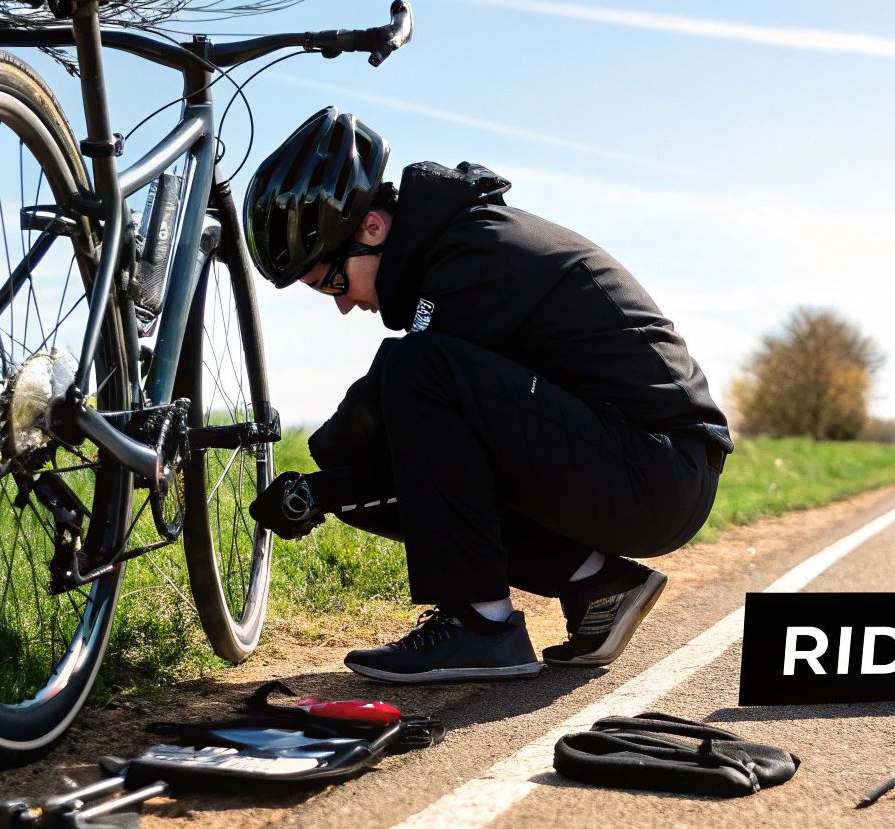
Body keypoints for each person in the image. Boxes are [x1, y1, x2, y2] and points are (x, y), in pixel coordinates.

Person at [242, 107, 731, 684]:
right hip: (638, 465)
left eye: (332, 282)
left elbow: (425, 453)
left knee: (412, 372)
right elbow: (442, 463)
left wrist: (326, 493)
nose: (344, 304)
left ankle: (482, 626)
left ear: (372, 227)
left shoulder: (476, 260)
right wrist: (329, 483)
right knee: (365, 427)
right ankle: (597, 583)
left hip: (659, 469)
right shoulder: (455, 249)